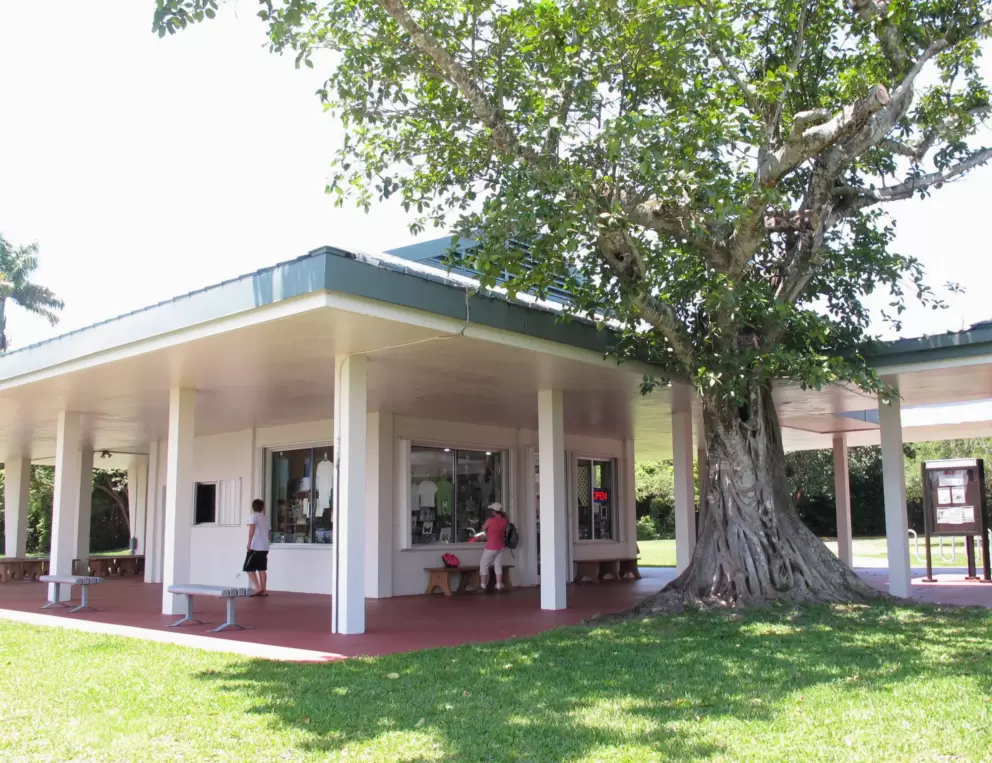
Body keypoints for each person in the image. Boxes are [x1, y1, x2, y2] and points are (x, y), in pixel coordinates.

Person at [479, 502, 509, 592]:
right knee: (498, 565)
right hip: (500, 546)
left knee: (484, 564)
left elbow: (483, 528)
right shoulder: (505, 521)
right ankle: (499, 585)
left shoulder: (490, 520)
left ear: (493, 511)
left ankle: (483, 585)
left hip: (491, 545)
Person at [244, 498, 271, 596]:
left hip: (256, 546)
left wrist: (249, 543)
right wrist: (267, 542)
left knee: (248, 568)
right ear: (262, 507)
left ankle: (258, 587)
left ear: (253, 507)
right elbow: (269, 532)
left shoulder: (253, 516)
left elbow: (252, 530)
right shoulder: (266, 518)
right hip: (265, 546)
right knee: (262, 568)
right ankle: (263, 590)